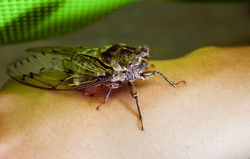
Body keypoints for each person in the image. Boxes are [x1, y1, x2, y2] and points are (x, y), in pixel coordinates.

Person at [0, 46, 249, 158]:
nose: (142, 67)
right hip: (88, 71)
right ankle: (137, 115)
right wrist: (105, 100)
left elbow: (147, 71)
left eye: (141, 62)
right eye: (136, 64)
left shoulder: (137, 69)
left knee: (152, 76)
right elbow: (111, 87)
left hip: (104, 62)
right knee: (119, 88)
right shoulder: (117, 74)